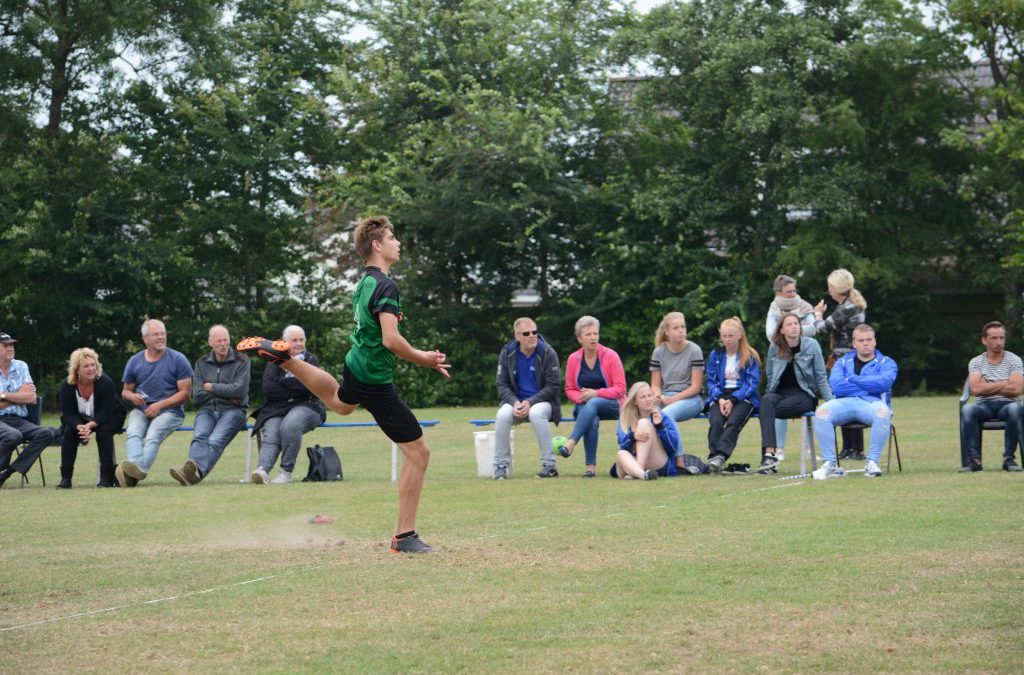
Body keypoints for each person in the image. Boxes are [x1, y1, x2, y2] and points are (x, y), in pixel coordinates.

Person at [238, 215, 450, 554]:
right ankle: (405, 536)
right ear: (377, 246)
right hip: (374, 378)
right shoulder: (386, 286)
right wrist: (423, 358)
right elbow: (391, 340)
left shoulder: (365, 282)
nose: (398, 243)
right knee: (419, 453)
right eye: (392, 238)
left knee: (340, 402)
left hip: (356, 364)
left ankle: (286, 359)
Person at [812, 324, 898, 480]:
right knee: (821, 411)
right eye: (861, 340)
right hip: (844, 403)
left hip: (872, 404)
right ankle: (830, 464)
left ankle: (872, 462)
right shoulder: (842, 362)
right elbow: (836, 386)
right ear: (854, 343)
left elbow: (883, 384)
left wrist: (852, 379)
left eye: (869, 340)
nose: (865, 343)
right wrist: (868, 385)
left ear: (875, 341)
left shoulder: (887, 363)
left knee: (883, 412)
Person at [169, 325, 251, 486]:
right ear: (210, 342)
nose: (223, 344)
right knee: (199, 437)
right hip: (207, 410)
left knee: (215, 440)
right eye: (219, 340)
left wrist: (211, 387)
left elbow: (240, 391)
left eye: (226, 340)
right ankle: (192, 475)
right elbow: (197, 396)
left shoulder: (242, 360)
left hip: (234, 411)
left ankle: (193, 472)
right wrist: (228, 393)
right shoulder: (201, 363)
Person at [119, 319, 193, 487]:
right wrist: (132, 397)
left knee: (152, 436)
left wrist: (159, 405)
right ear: (145, 339)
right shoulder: (135, 361)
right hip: (141, 410)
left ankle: (134, 473)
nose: (161, 337)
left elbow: (185, 394)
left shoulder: (178, 359)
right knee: (133, 432)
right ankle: (135, 471)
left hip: (171, 412)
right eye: (156, 334)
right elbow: (125, 391)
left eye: (162, 334)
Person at [249, 325, 326, 485]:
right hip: (277, 408)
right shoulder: (274, 360)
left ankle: (286, 472)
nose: (299, 343)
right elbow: (269, 389)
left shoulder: (311, 360)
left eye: (301, 339)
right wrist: (296, 383)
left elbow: (310, 388)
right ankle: (262, 470)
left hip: (308, 405)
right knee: (271, 431)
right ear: (284, 343)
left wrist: (284, 382)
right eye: (294, 340)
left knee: (290, 424)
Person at [757, 314, 832, 474]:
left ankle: (769, 456)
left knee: (767, 410)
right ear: (782, 330)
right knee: (766, 401)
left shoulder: (812, 345)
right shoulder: (774, 347)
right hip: (780, 393)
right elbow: (770, 375)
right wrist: (769, 396)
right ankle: (769, 455)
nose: (794, 327)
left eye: (796, 323)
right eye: (789, 324)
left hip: (804, 394)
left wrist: (831, 402)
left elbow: (821, 376)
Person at [493, 317, 562, 480]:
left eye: (534, 332)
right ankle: (500, 466)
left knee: (536, 413)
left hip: (543, 403)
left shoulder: (548, 352)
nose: (532, 336)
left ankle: (550, 466)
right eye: (526, 333)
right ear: (517, 336)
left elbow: (553, 386)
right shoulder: (507, 352)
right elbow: (501, 384)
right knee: (502, 415)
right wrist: (514, 402)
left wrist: (530, 402)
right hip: (516, 402)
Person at [562, 316, 627, 478]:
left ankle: (571, 442)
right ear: (580, 339)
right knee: (592, 417)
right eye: (588, 334)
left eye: (595, 334)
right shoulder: (573, 359)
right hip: (585, 405)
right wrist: (581, 397)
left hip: (612, 404)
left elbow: (621, 389)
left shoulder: (611, 356)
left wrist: (595, 393)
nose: (593, 338)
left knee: (594, 402)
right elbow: (569, 389)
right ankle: (590, 468)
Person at [813, 268, 868, 460]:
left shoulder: (845, 309)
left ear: (837, 288)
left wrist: (817, 314)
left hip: (845, 362)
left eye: (830, 286)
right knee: (851, 401)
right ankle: (853, 448)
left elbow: (821, 328)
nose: (828, 290)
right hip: (854, 360)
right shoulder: (853, 305)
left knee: (844, 402)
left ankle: (852, 449)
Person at [959, 321, 1023, 472]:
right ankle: (974, 461)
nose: (999, 342)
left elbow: (1016, 389)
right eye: (994, 338)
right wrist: (1005, 383)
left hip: (1008, 405)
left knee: (1015, 409)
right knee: (968, 409)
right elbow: (976, 389)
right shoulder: (976, 362)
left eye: (1002, 338)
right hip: (983, 406)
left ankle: (1009, 459)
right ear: (984, 340)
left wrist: (988, 384)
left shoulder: (1014, 360)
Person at [57, 348, 126, 488]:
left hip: (111, 415)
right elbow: (69, 414)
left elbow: (106, 412)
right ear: (77, 370)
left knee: (103, 431)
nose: (91, 369)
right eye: (86, 366)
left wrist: (89, 426)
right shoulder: (66, 386)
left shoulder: (105, 382)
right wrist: (80, 427)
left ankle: (106, 478)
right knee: (69, 432)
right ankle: (66, 478)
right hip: (81, 419)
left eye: (93, 365)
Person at [764, 275, 816, 454]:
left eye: (795, 290)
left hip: (804, 357)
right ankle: (778, 449)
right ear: (779, 292)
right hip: (782, 359)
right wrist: (796, 331)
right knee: (776, 402)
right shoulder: (774, 308)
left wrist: (790, 332)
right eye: (789, 291)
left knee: (803, 402)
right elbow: (771, 334)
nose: (793, 294)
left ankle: (809, 449)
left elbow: (813, 328)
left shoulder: (805, 306)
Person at [705, 317, 760, 474]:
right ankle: (713, 457)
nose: (727, 339)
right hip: (721, 396)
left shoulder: (749, 355)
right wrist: (720, 398)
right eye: (724, 336)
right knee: (716, 421)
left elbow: (751, 383)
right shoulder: (716, 355)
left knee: (733, 421)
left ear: (739, 335)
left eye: (731, 335)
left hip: (743, 397)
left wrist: (734, 400)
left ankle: (720, 456)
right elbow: (711, 381)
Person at [649, 312, 704, 471]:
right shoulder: (659, 351)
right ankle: (649, 462)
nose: (681, 330)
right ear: (667, 332)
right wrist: (657, 395)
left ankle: (679, 463)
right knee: (645, 415)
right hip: (665, 397)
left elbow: (696, 387)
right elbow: (655, 385)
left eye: (683, 327)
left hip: (690, 399)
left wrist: (673, 399)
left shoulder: (694, 350)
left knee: (666, 415)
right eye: (676, 328)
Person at [0, 332, 56, 488]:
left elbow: (31, 398)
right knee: (13, 436)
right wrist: (19, 395)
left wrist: (3, 395)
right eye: (5, 345)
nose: (10, 348)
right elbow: (24, 396)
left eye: (12, 345)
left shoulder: (21, 366)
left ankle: (7, 472)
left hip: (18, 420)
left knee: (47, 433)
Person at [612, 382, 680, 480]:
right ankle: (642, 475)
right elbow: (622, 445)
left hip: (658, 462)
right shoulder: (625, 418)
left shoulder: (663, 417)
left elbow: (673, 448)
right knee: (621, 453)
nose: (648, 399)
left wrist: (660, 426)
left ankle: (637, 471)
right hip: (633, 460)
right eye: (643, 397)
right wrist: (633, 436)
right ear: (635, 402)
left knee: (644, 423)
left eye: (649, 395)